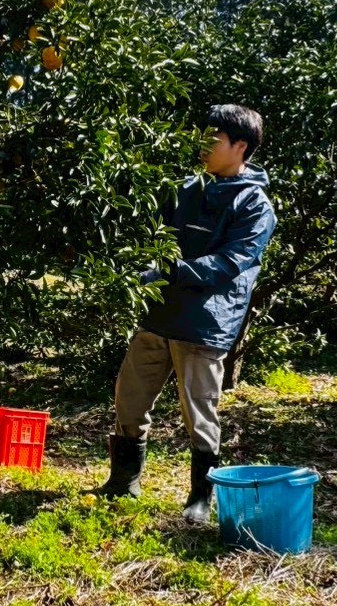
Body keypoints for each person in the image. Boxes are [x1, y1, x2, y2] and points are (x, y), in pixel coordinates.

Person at [96, 105, 277, 524]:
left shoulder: (255, 206)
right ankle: (124, 481)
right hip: (159, 313)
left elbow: (231, 262)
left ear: (240, 147)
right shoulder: (185, 189)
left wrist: (170, 271)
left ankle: (200, 496)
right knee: (130, 395)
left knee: (199, 411)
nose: (203, 145)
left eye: (214, 139)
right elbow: (154, 233)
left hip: (206, 321)